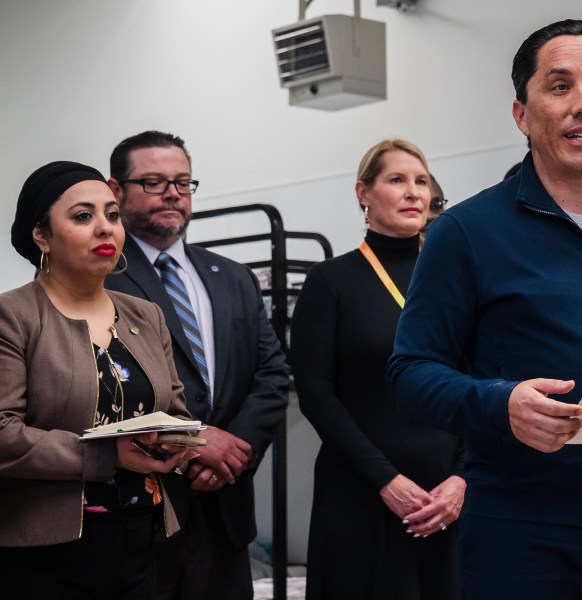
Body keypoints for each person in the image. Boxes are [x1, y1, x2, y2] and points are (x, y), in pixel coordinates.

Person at [387, 20, 582, 599]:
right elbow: (411, 372)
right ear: (522, 115)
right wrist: (499, 402)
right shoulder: (466, 232)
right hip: (520, 529)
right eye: (560, 87)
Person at [105, 131, 290, 600]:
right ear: (115, 190)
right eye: (153, 181)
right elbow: (104, 385)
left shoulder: (232, 276)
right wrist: (194, 446)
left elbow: (270, 374)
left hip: (226, 507)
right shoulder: (100, 279)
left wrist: (235, 451)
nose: (172, 192)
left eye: (183, 183)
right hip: (144, 511)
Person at [0, 161, 196, 599]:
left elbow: (176, 411)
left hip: (144, 536)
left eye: (112, 214)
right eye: (83, 216)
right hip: (47, 551)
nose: (105, 229)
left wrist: (177, 442)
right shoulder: (12, 317)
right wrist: (106, 456)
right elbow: (3, 434)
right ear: (41, 235)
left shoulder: (146, 315)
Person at [291, 139, 465, 599]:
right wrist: (385, 480)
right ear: (363, 193)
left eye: (421, 181)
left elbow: (485, 381)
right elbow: (316, 393)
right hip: (362, 491)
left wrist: (464, 478)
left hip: (450, 495)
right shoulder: (330, 281)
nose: (413, 192)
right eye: (397, 180)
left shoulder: (459, 277)